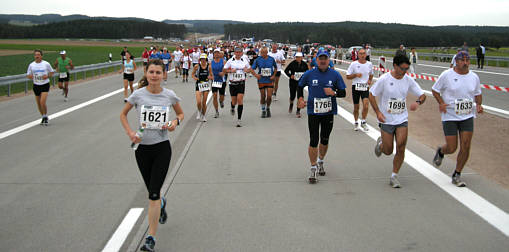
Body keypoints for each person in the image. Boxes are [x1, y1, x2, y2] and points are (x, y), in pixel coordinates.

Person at [120, 59, 184, 252]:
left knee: (153, 195)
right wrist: (131, 133)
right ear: (146, 73)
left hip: (162, 148)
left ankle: (150, 238)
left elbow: (180, 115)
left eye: (158, 72)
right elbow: (122, 115)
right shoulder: (137, 95)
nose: (154, 75)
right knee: (153, 193)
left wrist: (175, 123)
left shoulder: (169, 95)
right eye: (151, 72)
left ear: (164, 74)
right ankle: (161, 202)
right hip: (142, 150)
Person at [369, 54, 426, 188]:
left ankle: (394, 176)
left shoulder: (408, 80)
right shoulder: (384, 79)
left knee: (401, 146)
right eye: (403, 68)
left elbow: (422, 95)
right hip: (387, 120)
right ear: (395, 66)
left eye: (407, 69)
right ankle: (382, 144)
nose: (405, 71)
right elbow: (371, 94)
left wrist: (418, 102)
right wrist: (378, 112)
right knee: (388, 151)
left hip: (402, 119)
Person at [431, 51, 483, 187]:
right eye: (462, 60)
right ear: (456, 61)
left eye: (467, 60)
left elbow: (478, 93)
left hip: (467, 115)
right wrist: (441, 103)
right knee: (452, 147)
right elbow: (435, 90)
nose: (465, 63)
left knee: (466, 146)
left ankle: (457, 173)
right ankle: (441, 151)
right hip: (450, 115)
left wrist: (479, 105)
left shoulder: (474, 77)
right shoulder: (447, 75)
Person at [297, 50, 346, 183]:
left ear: (329, 60)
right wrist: (300, 99)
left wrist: (334, 92)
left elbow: (343, 93)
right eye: (320, 59)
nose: (323, 61)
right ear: (316, 60)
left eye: (325, 59)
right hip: (313, 111)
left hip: (328, 112)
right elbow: (299, 85)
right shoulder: (309, 73)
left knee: (324, 139)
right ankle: (313, 168)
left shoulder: (335, 75)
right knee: (314, 139)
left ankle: (320, 160)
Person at [223, 47, 251, 127]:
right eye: (237, 52)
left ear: (242, 53)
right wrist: (230, 71)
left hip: (241, 83)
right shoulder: (230, 61)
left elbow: (249, 69)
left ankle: (239, 119)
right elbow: (224, 70)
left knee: (240, 99)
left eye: (240, 52)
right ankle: (232, 107)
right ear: (234, 53)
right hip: (232, 83)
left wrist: (247, 70)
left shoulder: (244, 60)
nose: (238, 54)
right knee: (234, 101)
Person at [346, 49, 373, 131]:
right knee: (356, 107)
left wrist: (369, 80)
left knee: (366, 105)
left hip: (365, 87)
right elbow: (348, 76)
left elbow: (371, 74)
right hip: (356, 87)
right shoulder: (354, 64)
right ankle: (356, 122)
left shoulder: (369, 64)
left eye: (364, 53)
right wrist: (355, 75)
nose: (362, 55)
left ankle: (363, 122)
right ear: (358, 55)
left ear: (366, 55)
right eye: (360, 53)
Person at [27, 49, 54, 125]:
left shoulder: (46, 64)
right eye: (36, 55)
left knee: (42, 102)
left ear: (41, 56)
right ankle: (43, 116)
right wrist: (31, 76)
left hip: (45, 84)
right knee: (38, 104)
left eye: (38, 55)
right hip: (36, 85)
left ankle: (45, 117)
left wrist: (47, 76)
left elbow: (52, 72)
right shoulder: (31, 65)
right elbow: (28, 75)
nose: (37, 56)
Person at [251, 47, 277, 118]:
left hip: (269, 80)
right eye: (261, 53)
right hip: (261, 80)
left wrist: (274, 76)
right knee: (263, 96)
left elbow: (276, 68)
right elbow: (252, 69)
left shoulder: (271, 59)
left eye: (264, 52)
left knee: (269, 96)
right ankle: (263, 110)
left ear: (267, 52)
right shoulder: (257, 60)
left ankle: (268, 108)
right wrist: (256, 75)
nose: (263, 54)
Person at [284, 52, 309, 118]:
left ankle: (298, 111)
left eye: (299, 57)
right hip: (293, 82)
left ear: (302, 58)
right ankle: (291, 104)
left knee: (300, 96)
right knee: (292, 96)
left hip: (300, 83)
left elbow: (308, 72)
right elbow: (286, 71)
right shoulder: (292, 63)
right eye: (297, 57)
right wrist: (290, 75)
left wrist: (305, 79)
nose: (298, 58)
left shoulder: (304, 64)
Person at [192, 53, 213, 122]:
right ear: (200, 60)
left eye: (204, 59)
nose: (203, 61)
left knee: (204, 102)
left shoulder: (209, 67)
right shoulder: (197, 66)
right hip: (199, 84)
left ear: (206, 60)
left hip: (206, 85)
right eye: (201, 59)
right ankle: (199, 111)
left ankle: (203, 115)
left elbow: (212, 76)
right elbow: (192, 74)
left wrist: (210, 77)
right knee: (198, 102)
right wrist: (195, 78)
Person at [210, 49, 227, 118]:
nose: (216, 54)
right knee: (214, 95)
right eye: (215, 53)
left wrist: (223, 73)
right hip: (214, 81)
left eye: (218, 53)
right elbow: (209, 71)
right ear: (213, 54)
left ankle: (221, 101)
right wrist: (210, 76)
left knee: (221, 96)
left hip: (222, 81)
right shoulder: (211, 62)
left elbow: (226, 69)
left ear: (220, 54)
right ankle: (216, 111)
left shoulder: (223, 61)